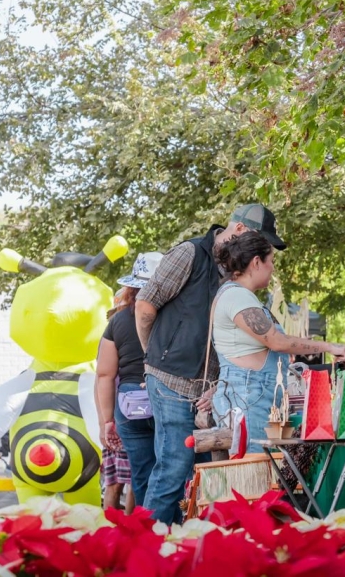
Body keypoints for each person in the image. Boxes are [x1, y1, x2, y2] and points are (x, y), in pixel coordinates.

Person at [135, 204, 287, 524]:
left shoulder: (235, 273)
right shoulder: (189, 253)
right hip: (171, 380)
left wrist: (216, 381)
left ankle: (184, 548)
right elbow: (146, 304)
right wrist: (156, 357)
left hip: (207, 389)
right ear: (242, 231)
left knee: (205, 475)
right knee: (174, 465)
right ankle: (143, 545)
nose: (265, 254)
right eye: (264, 244)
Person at [210, 232, 345, 449]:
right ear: (256, 262)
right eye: (271, 261)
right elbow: (276, 341)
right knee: (255, 472)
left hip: (255, 394)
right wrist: (328, 346)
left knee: (266, 473)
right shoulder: (236, 296)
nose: (273, 268)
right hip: (248, 397)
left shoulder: (239, 295)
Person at [96, 253, 163, 512]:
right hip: (166, 398)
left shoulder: (118, 321)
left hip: (128, 405)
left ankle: (145, 533)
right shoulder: (174, 317)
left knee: (141, 475)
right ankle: (170, 533)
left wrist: (107, 421)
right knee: (170, 472)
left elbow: (105, 375)